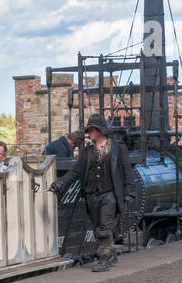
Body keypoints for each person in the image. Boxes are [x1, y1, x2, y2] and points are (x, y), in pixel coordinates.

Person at [48, 114, 134, 272]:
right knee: (96, 228)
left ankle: (105, 257)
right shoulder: (87, 152)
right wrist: (60, 183)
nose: (89, 133)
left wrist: (128, 193)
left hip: (109, 194)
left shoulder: (117, 148)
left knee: (104, 226)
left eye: (92, 130)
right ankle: (111, 253)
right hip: (91, 194)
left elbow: (127, 171)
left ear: (100, 131)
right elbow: (75, 172)